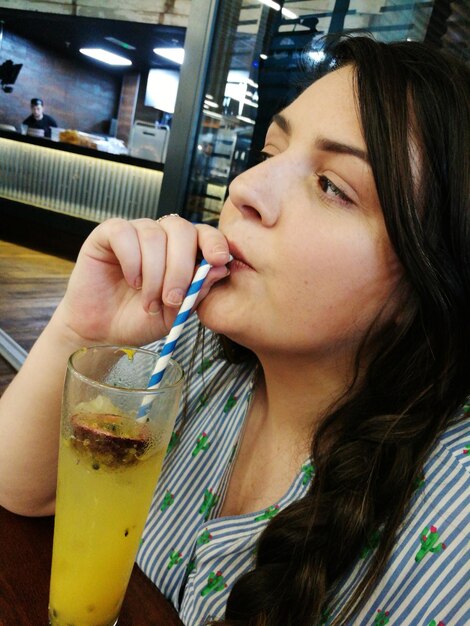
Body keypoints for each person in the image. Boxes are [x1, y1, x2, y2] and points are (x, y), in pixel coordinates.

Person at [0, 35, 469, 626]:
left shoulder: (452, 528)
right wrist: (78, 327)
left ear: (426, 284)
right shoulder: (197, 353)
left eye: (333, 186)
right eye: (271, 151)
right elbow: (24, 490)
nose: (245, 189)